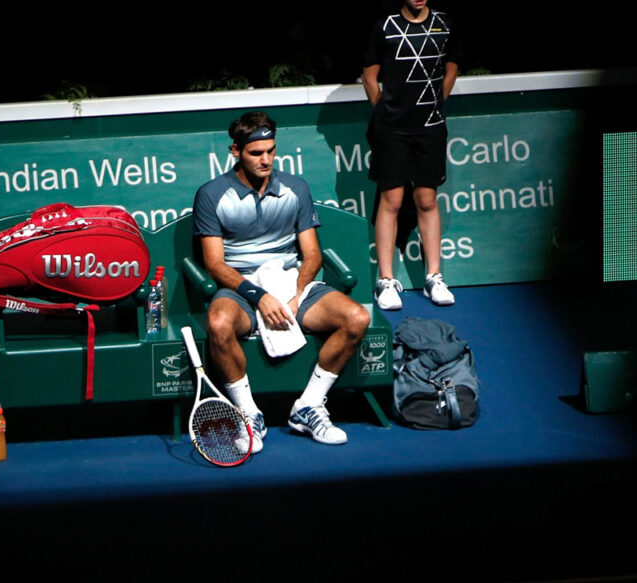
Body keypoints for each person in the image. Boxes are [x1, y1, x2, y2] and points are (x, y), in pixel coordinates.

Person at [193, 112, 370, 447]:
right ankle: (248, 415)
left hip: (289, 281)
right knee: (218, 325)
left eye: (271, 151)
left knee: (356, 318)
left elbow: (312, 254)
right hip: (241, 288)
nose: (266, 160)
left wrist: (295, 292)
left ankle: (309, 405)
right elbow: (215, 264)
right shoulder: (212, 194)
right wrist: (259, 296)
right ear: (235, 151)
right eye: (256, 153)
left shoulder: (296, 188)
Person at [362, 0, 460, 310]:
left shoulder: (445, 23)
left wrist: (434, 105)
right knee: (391, 201)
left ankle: (434, 276)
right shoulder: (386, 26)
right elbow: (369, 76)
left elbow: (452, 67)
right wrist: (388, 115)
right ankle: (386, 281)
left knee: (427, 200)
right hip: (392, 131)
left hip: (430, 128)